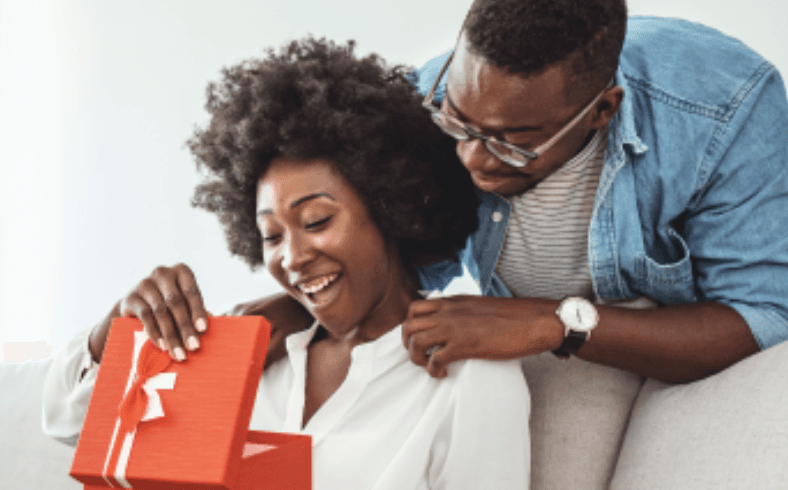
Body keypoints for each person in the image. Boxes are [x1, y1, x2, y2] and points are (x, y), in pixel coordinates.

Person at [42, 37, 530, 490]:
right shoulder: (245, 341)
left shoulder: (469, 375)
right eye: (271, 235)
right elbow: (66, 424)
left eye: (316, 221)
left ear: (393, 207)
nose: (291, 258)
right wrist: (114, 336)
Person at [400, 0, 788, 383]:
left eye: (513, 145)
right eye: (457, 121)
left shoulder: (724, 107)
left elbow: (774, 317)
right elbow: (389, 269)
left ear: (602, 110)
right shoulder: (423, 98)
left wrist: (556, 322)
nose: (471, 156)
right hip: (536, 366)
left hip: (680, 372)